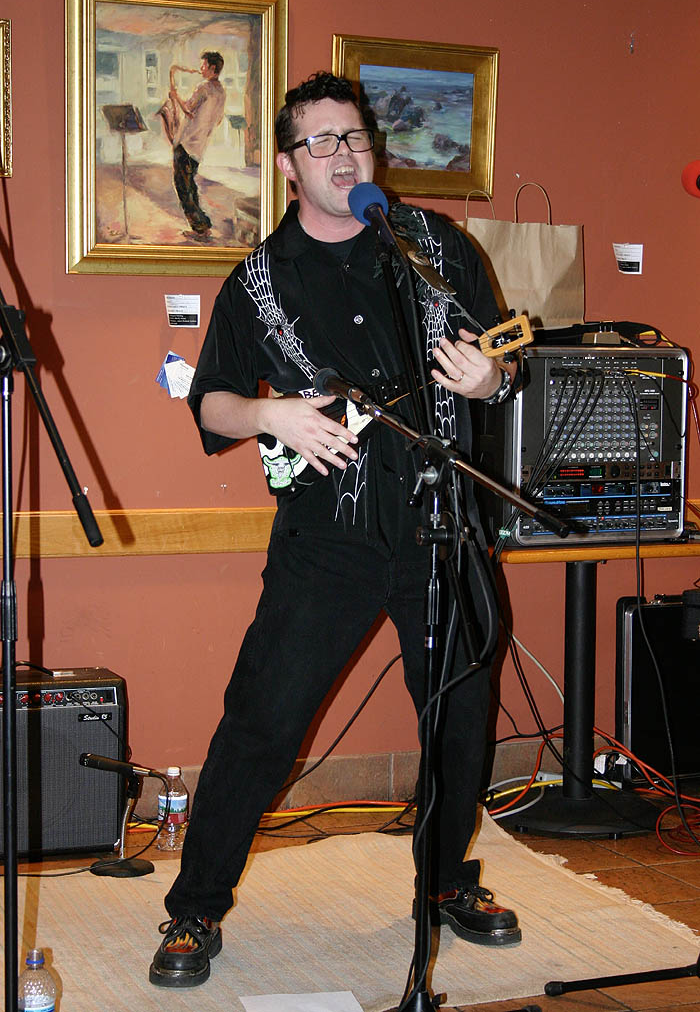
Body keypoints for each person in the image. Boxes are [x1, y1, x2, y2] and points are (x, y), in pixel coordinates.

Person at [149, 71, 521, 990]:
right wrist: (274, 417)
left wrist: (489, 384)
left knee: (463, 720)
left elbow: (500, 363)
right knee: (264, 720)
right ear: (287, 166)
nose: (343, 154)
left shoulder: (437, 246)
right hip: (330, 540)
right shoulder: (259, 280)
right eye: (321, 142)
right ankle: (195, 908)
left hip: (445, 526)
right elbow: (213, 403)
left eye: (353, 138)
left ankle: (442, 886)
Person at [163, 51, 226, 241]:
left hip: (187, 143)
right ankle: (201, 227)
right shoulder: (221, 91)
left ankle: (200, 226)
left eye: (204, 66)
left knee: (183, 187)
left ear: (212, 68)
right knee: (190, 185)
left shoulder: (204, 88)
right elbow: (217, 120)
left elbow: (189, 109)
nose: (200, 69)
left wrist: (175, 97)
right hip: (198, 146)